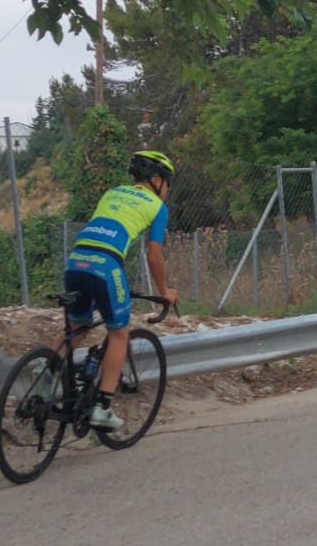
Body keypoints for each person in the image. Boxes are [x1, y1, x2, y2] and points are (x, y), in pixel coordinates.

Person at [59, 150, 182, 429]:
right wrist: (164, 290)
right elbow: (153, 254)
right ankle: (102, 408)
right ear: (155, 180)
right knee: (119, 334)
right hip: (106, 265)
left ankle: (43, 380)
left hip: (75, 261)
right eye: (167, 182)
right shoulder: (157, 207)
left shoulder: (112, 193)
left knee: (76, 329)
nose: (168, 189)